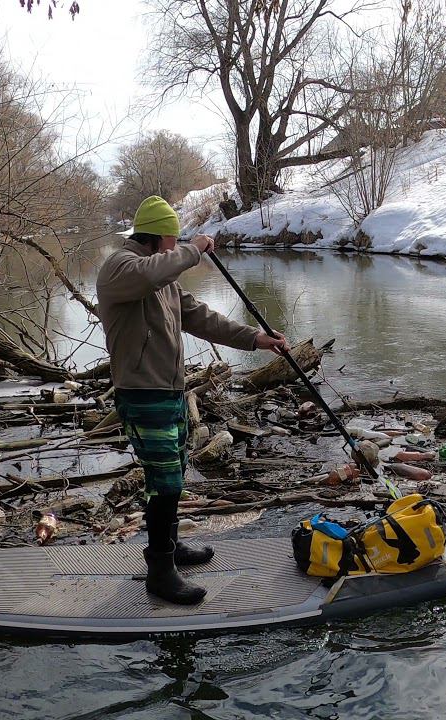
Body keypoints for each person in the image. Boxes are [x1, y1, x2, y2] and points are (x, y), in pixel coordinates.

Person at [96, 195, 289, 605]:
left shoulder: (161, 277)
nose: (175, 247)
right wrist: (194, 249)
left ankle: (172, 544)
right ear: (158, 238)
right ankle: (160, 571)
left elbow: (202, 317)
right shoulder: (121, 268)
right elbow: (154, 271)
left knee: (173, 476)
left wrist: (255, 338)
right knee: (164, 483)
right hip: (142, 393)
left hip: (170, 391)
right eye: (172, 239)